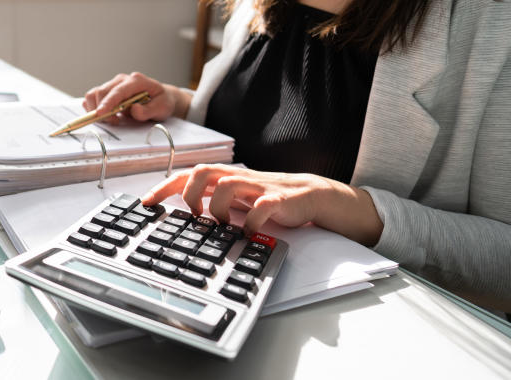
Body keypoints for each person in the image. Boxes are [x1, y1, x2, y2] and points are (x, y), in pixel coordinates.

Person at [83, 0, 511, 312]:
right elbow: (272, 127)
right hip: (216, 277)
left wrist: (346, 205)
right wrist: (178, 103)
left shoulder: (492, 23)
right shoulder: (260, 7)